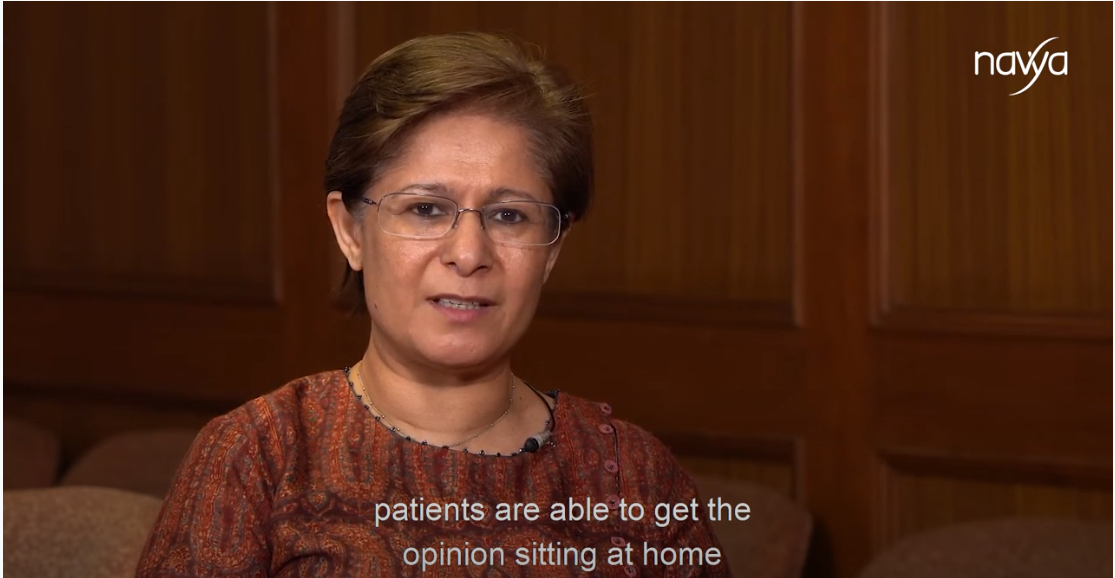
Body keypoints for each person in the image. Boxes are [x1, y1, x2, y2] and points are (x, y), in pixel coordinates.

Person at [136, 32, 729, 577]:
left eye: (509, 215)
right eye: (425, 209)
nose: (468, 254)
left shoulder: (635, 477)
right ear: (350, 231)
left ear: (551, 250)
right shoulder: (260, 456)